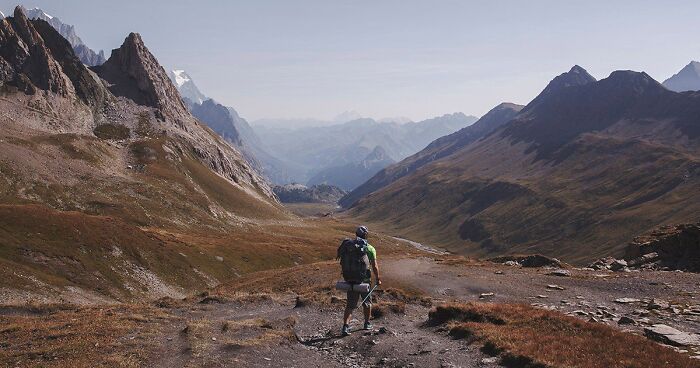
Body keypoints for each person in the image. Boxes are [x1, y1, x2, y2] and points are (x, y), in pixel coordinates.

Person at [340, 225, 381, 336]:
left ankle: (345, 327)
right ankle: (367, 324)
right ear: (366, 235)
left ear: (356, 234)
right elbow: (374, 266)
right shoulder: (370, 248)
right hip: (365, 281)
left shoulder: (349, 247)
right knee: (367, 303)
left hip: (350, 279)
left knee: (350, 305)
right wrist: (378, 279)